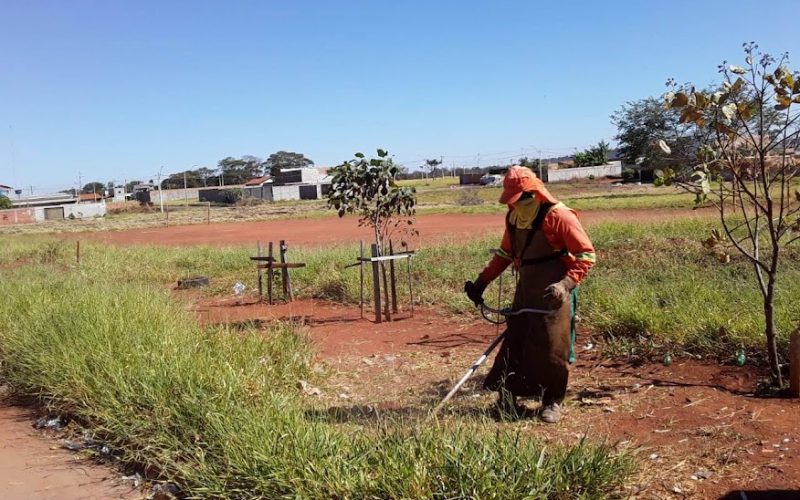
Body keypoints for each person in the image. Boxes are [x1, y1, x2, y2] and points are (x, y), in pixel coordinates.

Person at [464, 166, 595, 423]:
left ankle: (553, 401)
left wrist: (565, 285)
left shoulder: (559, 216)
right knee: (517, 344)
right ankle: (508, 397)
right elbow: (505, 254)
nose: (515, 204)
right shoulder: (514, 217)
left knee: (553, 349)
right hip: (526, 290)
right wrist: (481, 283)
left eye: (520, 199)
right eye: (512, 200)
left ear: (534, 193)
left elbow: (586, 255)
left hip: (555, 294)